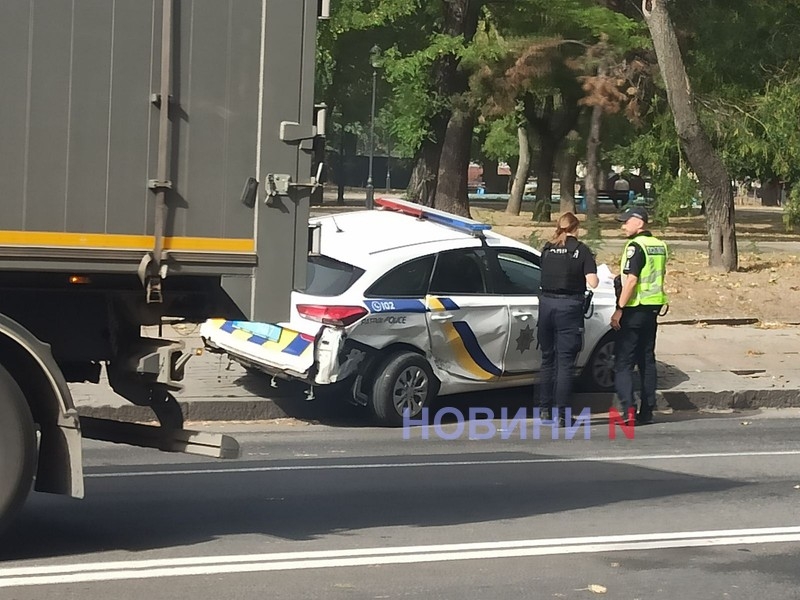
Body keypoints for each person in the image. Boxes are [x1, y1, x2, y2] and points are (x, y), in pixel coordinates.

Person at [538, 212, 599, 426]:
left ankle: (544, 410)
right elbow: (593, 282)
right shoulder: (581, 251)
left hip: (546, 306)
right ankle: (562, 415)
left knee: (547, 360)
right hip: (569, 308)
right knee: (564, 363)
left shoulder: (547, 249)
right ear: (576, 228)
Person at [610, 207, 668, 425]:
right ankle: (647, 410)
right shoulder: (659, 246)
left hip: (634, 308)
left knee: (624, 363)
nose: (623, 226)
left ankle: (629, 410)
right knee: (647, 360)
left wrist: (619, 308)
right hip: (652, 308)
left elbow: (632, 281)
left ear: (639, 223)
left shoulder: (635, 247)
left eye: (626, 222)